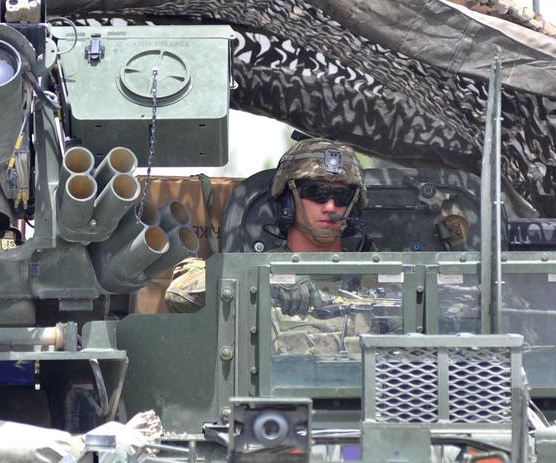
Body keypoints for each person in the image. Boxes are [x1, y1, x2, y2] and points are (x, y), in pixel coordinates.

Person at [164, 139, 394, 357]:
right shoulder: (257, 270)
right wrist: (272, 286)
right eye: (316, 193)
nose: (330, 206)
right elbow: (180, 293)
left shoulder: (376, 281)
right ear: (287, 203)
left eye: (342, 196)